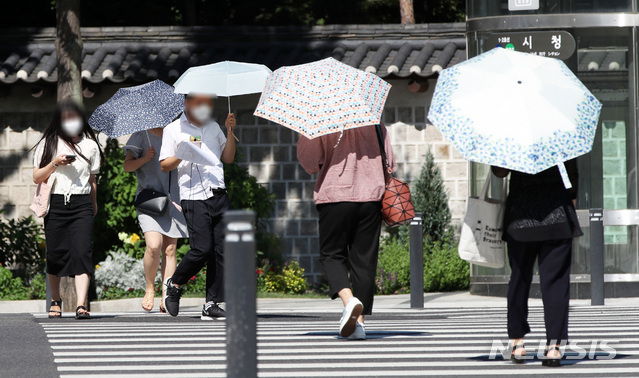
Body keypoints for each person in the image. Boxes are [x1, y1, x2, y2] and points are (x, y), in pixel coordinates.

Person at [297, 123, 395, 340]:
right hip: (371, 195)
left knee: (331, 255)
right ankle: (359, 326)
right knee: (364, 260)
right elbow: (389, 160)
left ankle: (349, 300)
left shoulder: (320, 118)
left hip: (336, 195)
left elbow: (310, 162)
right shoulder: (371, 115)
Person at [492, 159, 581, 367]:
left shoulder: (512, 137)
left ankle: (517, 341)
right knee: (556, 282)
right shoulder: (560, 132)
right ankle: (554, 347)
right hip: (557, 214)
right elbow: (573, 175)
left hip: (521, 216)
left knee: (519, 279)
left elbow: (499, 172)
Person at [159, 94, 236, 320]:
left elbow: (228, 158)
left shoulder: (213, 127)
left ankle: (211, 303)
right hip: (193, 196)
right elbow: (164, 165)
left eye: (209, 103)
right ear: (187, 103)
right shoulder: (173, 129)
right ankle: (174, 284)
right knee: (202, 249)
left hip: (218, 192)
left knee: (221, 250)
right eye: (200, 103)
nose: (205, 107)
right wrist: (183, 152)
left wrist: (230, 131)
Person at [32, 99, 103, 320]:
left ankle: (81, 304)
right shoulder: (48, 143)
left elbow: (92, 179)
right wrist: (54, 163)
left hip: (81, 203)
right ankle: (56, 300)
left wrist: (93, 204)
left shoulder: (91, 145)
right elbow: (36, 177)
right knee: (55, 252)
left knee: (83, 252)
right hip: (56, 202)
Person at [123, 128, 188, 312]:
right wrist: (145, 158)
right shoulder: (140, 136)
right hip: (149, 201)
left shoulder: (177, 133)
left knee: (170, 249)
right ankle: (149, 288)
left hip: (174, 199)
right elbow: (127, 166)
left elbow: (196, 144)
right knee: (153, 245)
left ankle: (166, 295)